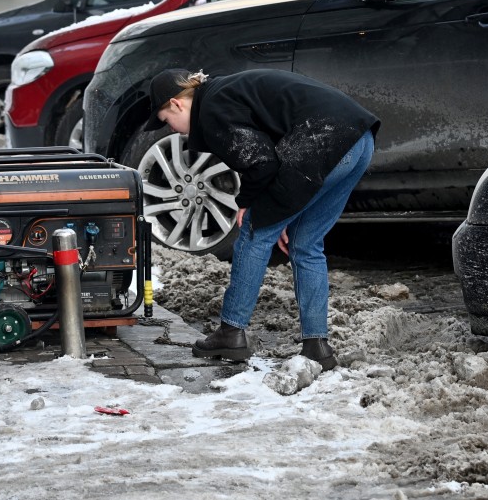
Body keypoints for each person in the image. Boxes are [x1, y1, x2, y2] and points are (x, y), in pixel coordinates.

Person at [145, 67, 379, 371]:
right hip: (359, 140)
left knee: (254, 233)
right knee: (305, 244)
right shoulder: (224, 92)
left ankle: (231, 331)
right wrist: (279, 211)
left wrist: (248, 203)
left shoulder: (212, 108)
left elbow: (261, 164)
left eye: (166, 121)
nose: (173, 130)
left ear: (177, 104)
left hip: (324, 138)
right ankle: (316, 346)